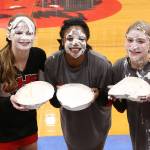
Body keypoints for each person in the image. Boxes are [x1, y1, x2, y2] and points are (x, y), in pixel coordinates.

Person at [44, 17, 112, 150]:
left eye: (81, 39)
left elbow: (108, 100)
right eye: (70, 39)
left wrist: (99, 94)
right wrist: (57, 95)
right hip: (71, 123)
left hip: (96, 122)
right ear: (62, 41)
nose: (75, 43)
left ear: (87, 41)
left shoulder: (102, 64)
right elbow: (54, 102)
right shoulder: (51, 63)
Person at [0, 14, 46, 150]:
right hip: (3, 131)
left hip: (29, 126)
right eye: (19, 32)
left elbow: (43, 86)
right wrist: (10, 100)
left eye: (29, 33)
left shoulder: (39, 56)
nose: (24, 37)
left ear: (34, 36)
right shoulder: (1, 62)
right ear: (9, 35)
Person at [112, 21, 150, 150]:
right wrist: (114, 97)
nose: (134, 46)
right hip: (137, 132)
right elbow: (121, 107)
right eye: (130, 40)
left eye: (140, 41)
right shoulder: (119, 67)